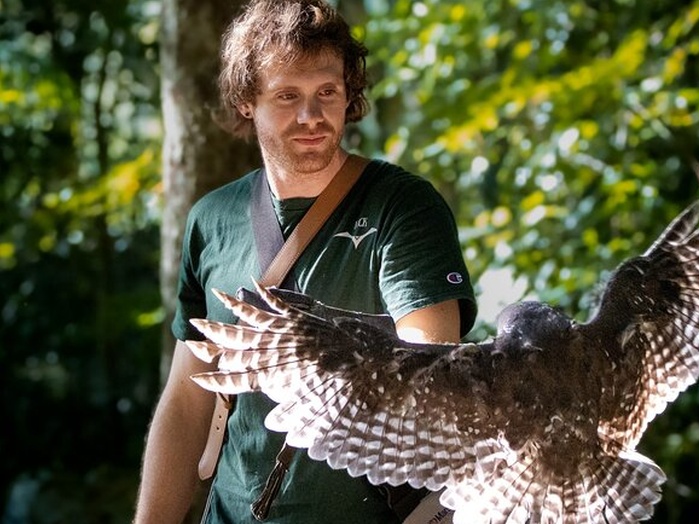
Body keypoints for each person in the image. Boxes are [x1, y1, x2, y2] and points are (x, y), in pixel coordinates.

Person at [133, 0, 477, 522]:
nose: (311, 116)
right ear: (248, 101)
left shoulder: (402, 205)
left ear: (348, 94)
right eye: (287, 96)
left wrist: (328, 368)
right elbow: (187, 401)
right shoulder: (212, 219)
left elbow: (430, 367)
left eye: (327, 94)